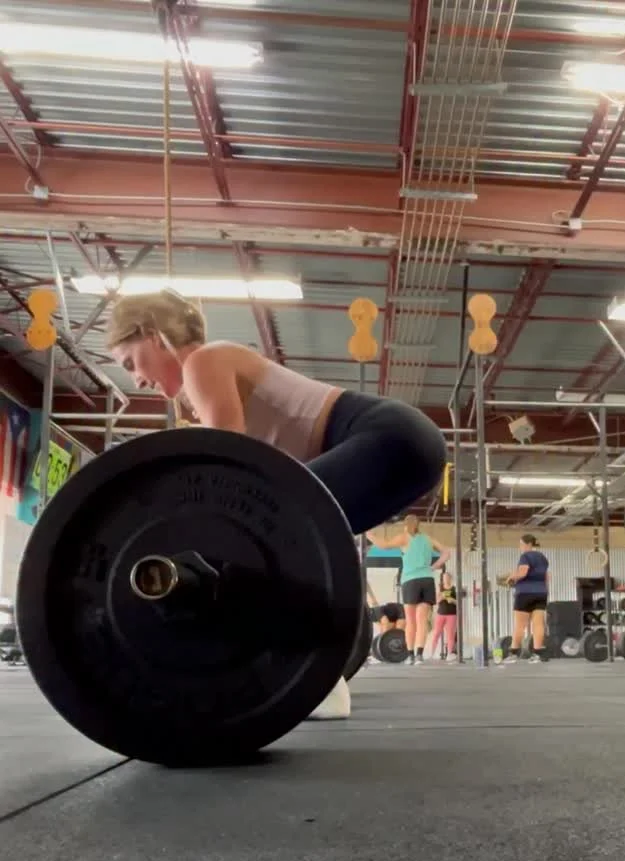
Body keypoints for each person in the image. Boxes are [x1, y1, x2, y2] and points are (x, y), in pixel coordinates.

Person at [105, 289, 447, 718]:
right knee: (305, 544)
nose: (136, 379)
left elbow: (226, 478)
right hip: (412, 448)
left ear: (155, 336)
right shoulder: (210, 376)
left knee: (256, 539)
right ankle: (325, 667)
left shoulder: (203, 362)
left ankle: (317, 681)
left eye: (131, 362)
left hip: (390, 437)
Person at [366, 515, 449, 665]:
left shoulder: (404, 537)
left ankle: (410, 655)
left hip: (411, 580)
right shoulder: (428, 538)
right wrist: (433, 567)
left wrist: (369, 534)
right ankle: (419, 655)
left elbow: (384, 545)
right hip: (427, 579)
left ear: (405, 525)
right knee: (422, 620)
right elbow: (447, 553)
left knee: (410, 621)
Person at [503, 533, 550, 664]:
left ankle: (513, 654)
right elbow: (547, 577)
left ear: (528, 544)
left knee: (520, 625)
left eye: (521, 544)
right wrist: (545, 592)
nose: (520, 547)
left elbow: (523, 572)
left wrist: (511, 578)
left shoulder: (525, 556)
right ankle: (538, 653)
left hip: (525, 593)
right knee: (538, 624)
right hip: (541, 593)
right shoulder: (543, 558)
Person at [430, 571, 457, 661]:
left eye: (447, 577)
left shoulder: (454, 589)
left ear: (450, 578)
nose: (446, 579)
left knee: (450, 635)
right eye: (444, 577)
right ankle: (432, 654)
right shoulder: (440, 588)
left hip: (451, 614)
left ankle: (449, 654)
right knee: (436, 633)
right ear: (442, 579)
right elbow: (435, 601)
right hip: (440, 614)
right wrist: (441, 597)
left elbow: (458, 602)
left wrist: (452, 600)